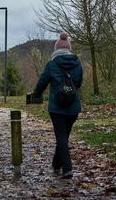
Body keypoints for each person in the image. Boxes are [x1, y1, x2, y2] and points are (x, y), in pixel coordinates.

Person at [33, 32, 83, 179]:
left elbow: (42, 82)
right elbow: (78, 83)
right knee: (63, 137)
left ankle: (67, 169)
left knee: (61, 137)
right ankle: (56, 164)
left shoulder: (52, 64)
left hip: (57, 107)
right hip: (73, 106)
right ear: (69, 48)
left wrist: (36, 94)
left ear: (56, 49)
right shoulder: (77, 62)